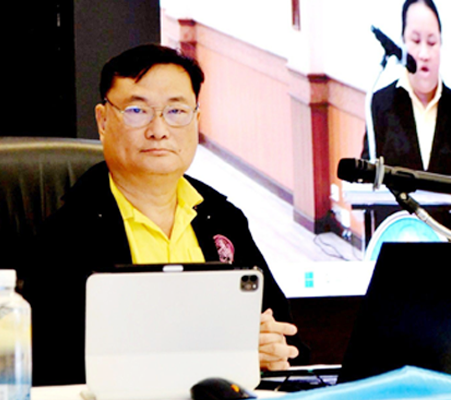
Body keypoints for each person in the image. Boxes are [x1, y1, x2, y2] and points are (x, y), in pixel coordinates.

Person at [27, 44, 308, 386]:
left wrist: (272, 353)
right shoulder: (67, 232)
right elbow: (53, 368)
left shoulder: (221, 217)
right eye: (137, 111)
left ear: (196, 120)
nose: (159, 130)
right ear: (103, 121)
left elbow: (287, 338)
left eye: (176, 111)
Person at [362, 0, 450, 174]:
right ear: (403, 42)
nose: (424, 54)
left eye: (432, 42)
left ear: (441, 44)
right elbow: (366, 179)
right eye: (416, 41)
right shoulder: (380, 104)